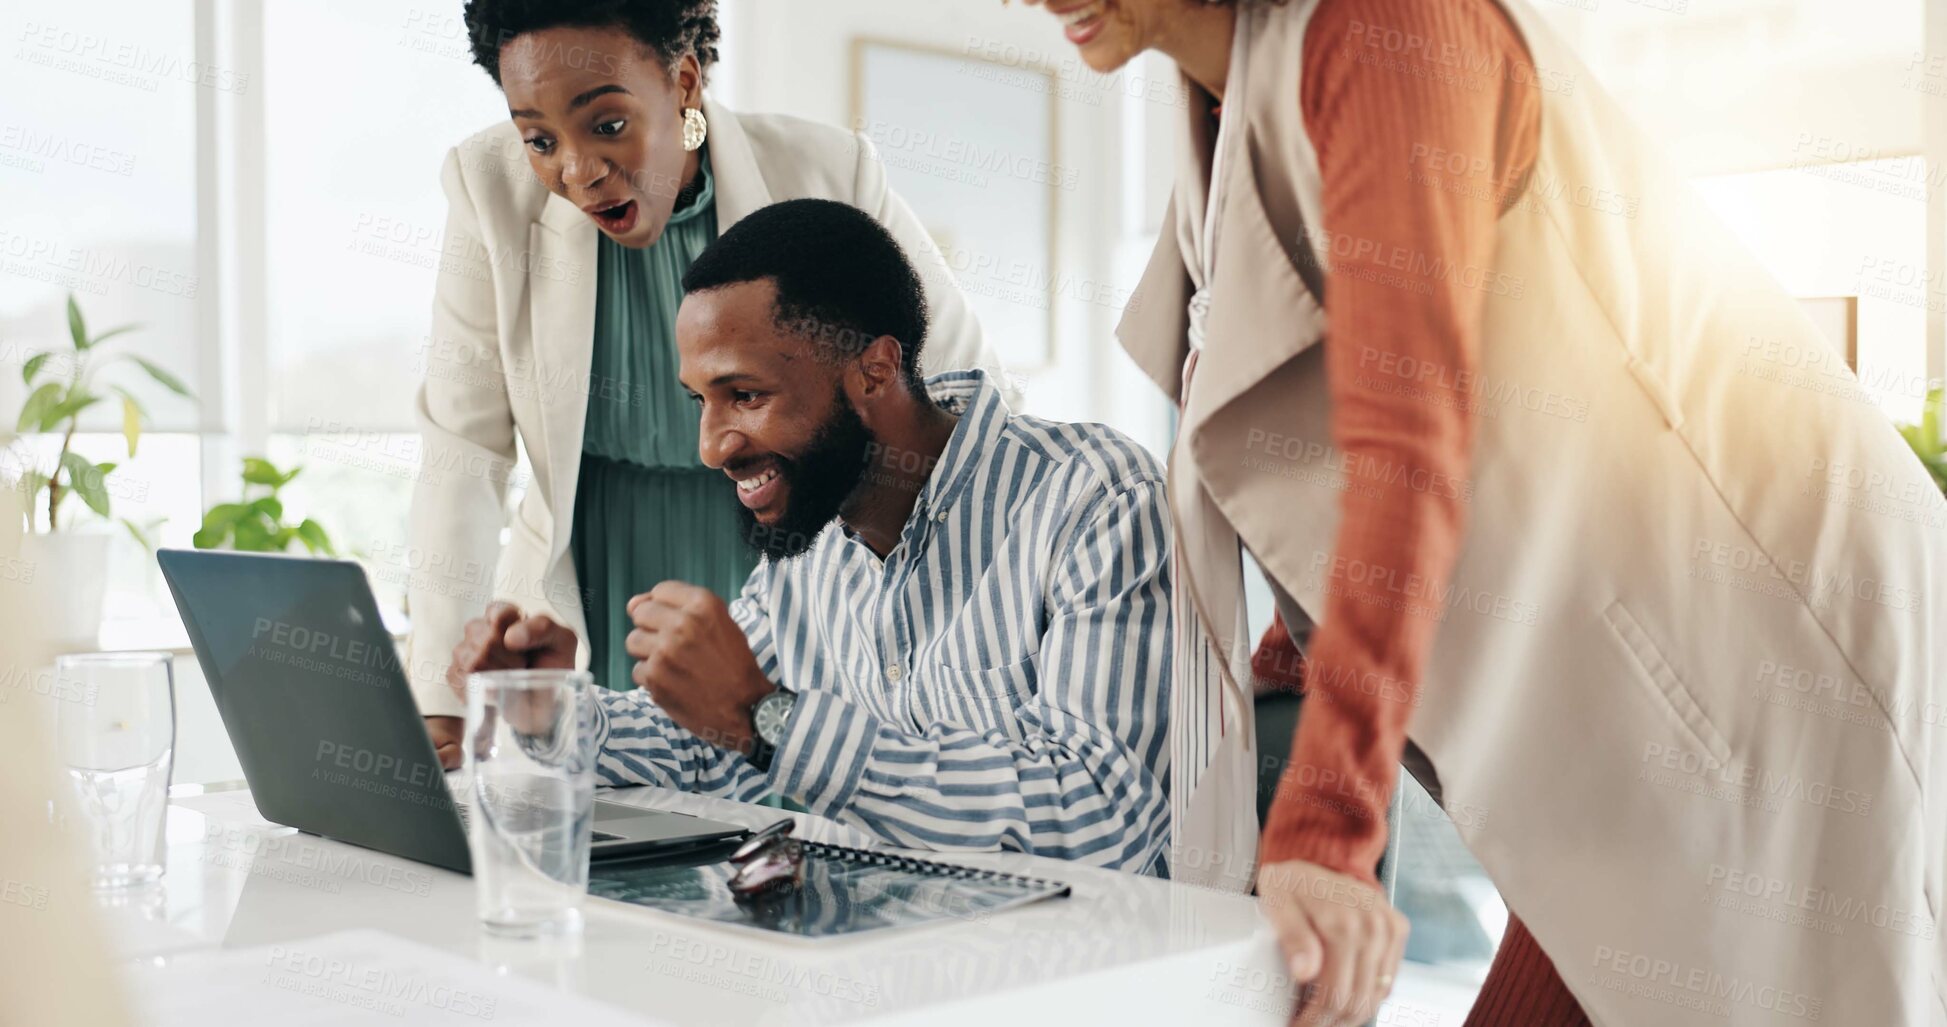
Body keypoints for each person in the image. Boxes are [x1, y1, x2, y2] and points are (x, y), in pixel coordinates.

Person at [1017, 0, 1946, 1025]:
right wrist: (1292, 660)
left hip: (1753, 655)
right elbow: (1314, 432)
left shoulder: (1384, 32)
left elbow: (1405, 445)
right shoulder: (1225, 96)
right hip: (1606, 686)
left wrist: (1327, 825)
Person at [442, 199, 1172, 871]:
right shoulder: (811, 534)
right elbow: (711, 747)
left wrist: (769, 718)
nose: (710, 446)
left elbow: (1099, 815)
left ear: (874, 371)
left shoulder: (1094, 498)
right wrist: (550, 708)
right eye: (701, 401)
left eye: (745, 396)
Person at [410, 0, 1016, 766]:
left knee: (794, 801)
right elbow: (462, 447)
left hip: (793, 554)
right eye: (539, 139)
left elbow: (953, 384)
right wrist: (443, 701)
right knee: (621, 816)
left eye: (606, 126)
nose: (579, 171)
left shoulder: (826, 170)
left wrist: (969, 623)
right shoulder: (486, 185)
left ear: (684, 82)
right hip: (594, 576)